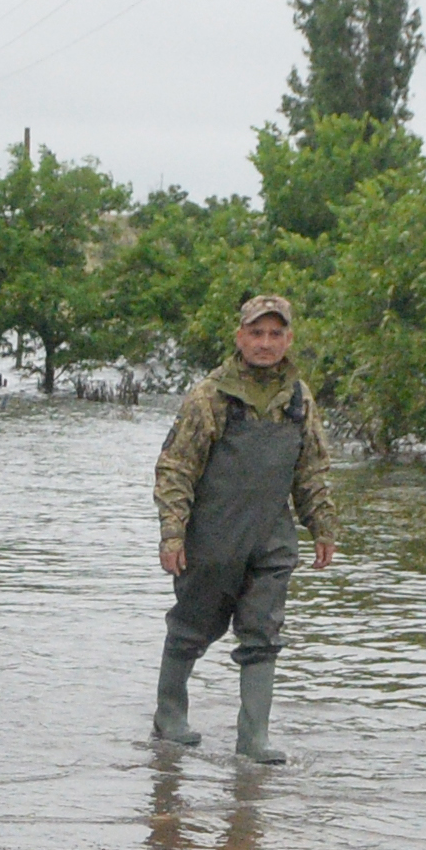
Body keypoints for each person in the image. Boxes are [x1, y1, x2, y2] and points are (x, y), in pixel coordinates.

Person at [148, 291, 338, 764]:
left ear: (289, 339)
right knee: (192, 627)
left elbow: (311, 469)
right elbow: (175, 469)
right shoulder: (210, 395)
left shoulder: (299, 398)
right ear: (240, 337)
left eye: (275, 334)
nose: (265, 343)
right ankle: (169, 715)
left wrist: (323, 526)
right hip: (213, 536)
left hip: (272, 537)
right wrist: (173, 533)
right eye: (256, 333)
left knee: (263, 633)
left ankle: (253, 739)